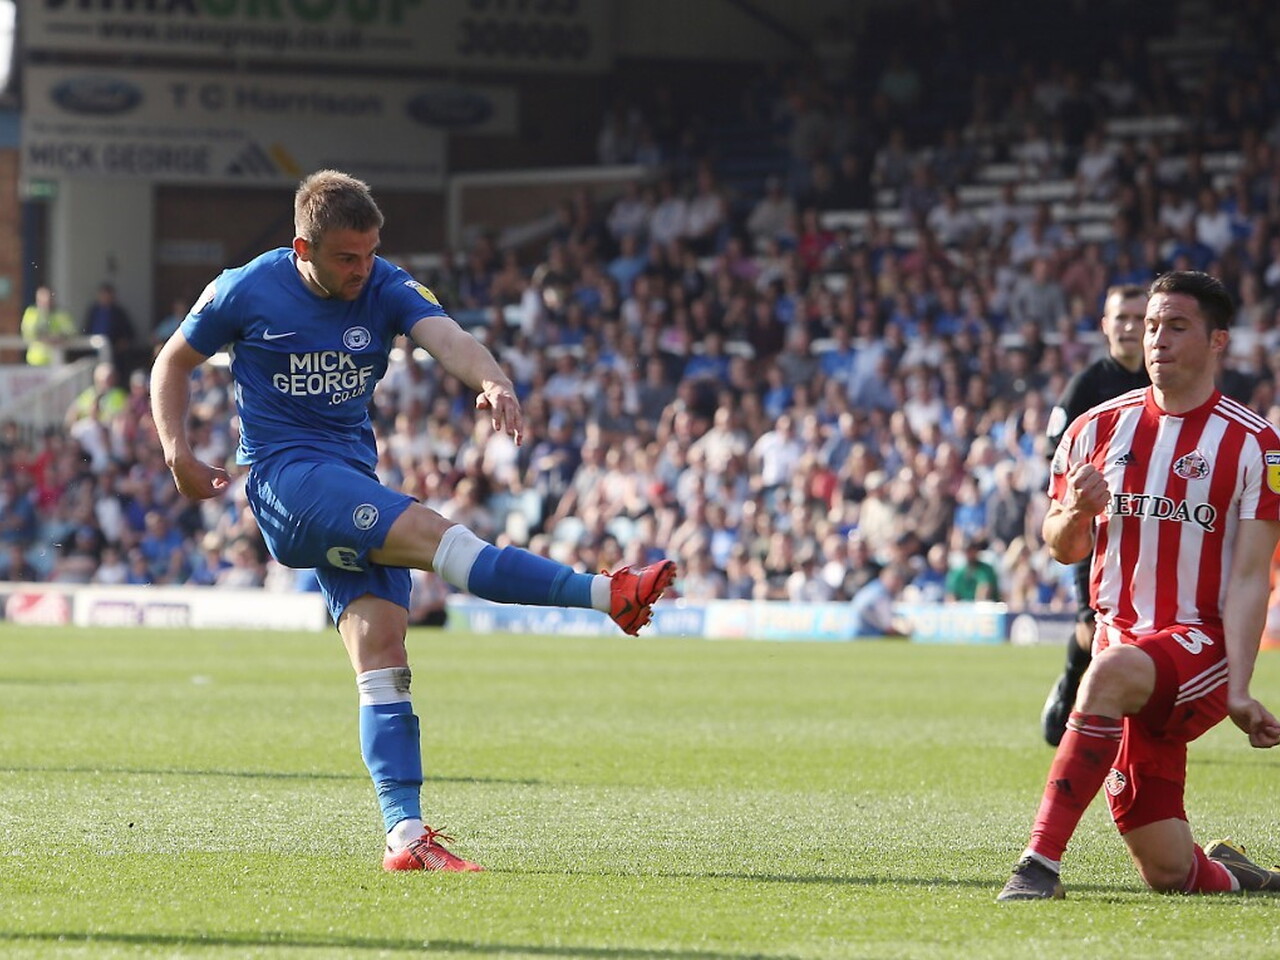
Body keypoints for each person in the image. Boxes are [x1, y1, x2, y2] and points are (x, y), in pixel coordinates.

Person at [150, 170, 676, 874]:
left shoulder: (385, 284)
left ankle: (405, 836)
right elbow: (172, 362)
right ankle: (610, 594)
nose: (362, 269)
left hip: (349, 479)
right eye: (347, 257)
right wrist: (177, 451)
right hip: (289, 479)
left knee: (384, 655)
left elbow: (447, 337)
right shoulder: (245, 288)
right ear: (303, 248)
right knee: (437, 536)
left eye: (370, 253)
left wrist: (493, 380)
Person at [998, 271, 1280, 901]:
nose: (1157, 339)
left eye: (1177, 326)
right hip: (1122, 647)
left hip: (1199, 646)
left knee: (1105, 674)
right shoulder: (1095, 428)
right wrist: (1077, 512)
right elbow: (1061, 545)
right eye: (1152, 326)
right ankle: (1235, 872)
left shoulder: (1256, 445)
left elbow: (1249, 578)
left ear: (1218, 341)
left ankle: (1037, 866)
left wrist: (1239, 688)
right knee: (1169, 872)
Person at [1039, 284, 1151, 747]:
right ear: (1105, 325)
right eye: (1121, 317)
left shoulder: (1166, 383)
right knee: (1093, 627)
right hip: (1097, 526)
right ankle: (1070, 686)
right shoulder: (1087, 386)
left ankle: (1131, 727)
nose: (1129, 326)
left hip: (1150, 525)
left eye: (1139, 318)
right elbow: (1056, 452)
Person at [20, 285, 76, 366]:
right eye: (42, 300)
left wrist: (58, 338)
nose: (46, 303)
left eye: (48, 299)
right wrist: (46, 338)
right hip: (35, 361)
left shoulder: (61, 315)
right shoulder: (31, 313)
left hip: (57, 360)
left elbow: (71, 332)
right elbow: (28, 333)